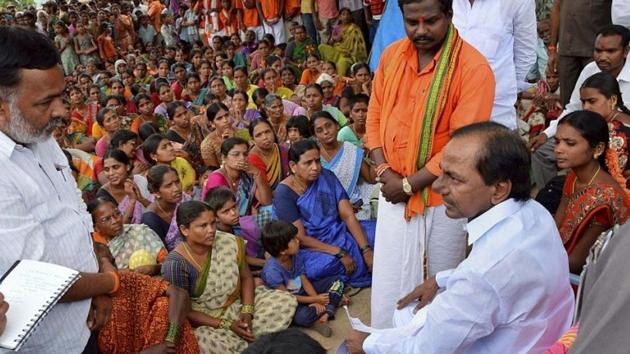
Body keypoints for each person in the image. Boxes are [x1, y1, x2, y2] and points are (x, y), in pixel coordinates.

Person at [347, 122, 574, 353]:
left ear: (498, 190)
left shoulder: (481, 276)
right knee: (409, 314)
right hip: (545, 336)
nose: (437, 186)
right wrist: (442, 279)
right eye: (442, 172)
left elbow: (424, 350)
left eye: (454, 178)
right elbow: (501, 276)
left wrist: (366, 344)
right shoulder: (534, 213)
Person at [366, 0, 495, 328]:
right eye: (412, 22)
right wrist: (385, 172)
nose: (420, 30)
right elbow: (375, 117)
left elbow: (461, 145)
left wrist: (409, 184)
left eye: (430, 21)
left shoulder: (472, 68)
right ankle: (387, 341)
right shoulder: (392, 56)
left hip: (445, 195)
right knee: (390, 278)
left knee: (439, 284)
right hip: (393, 189)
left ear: (449, 16)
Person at [0, 25, 122, 353]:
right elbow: (38, 277)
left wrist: (97, 271)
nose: (62, 112)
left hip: (84, 324)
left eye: (61, 96)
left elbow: (76, 213)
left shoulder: (40, 136)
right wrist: (110, 280)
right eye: (46, 102)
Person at [161, 201, 297, 354]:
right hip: (206, 321)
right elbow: (184, 312)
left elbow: (246, 278)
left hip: (236, 304)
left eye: (213, 223)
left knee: (285, 300)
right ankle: (252, 341)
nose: (211, 230)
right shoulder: (176, 263)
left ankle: (246, 339)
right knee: (203, 341)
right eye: (203, 226)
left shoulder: (228, 241)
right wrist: (228, 324)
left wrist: (247, 312)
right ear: (184, 230)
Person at [530, 25, 630, 189]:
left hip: (620, 140)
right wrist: (546, 134)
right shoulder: (590, 69)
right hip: (585, 135)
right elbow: (573, 108)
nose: (602, 57)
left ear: (625, 51)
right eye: (598, 50)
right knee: (541, 151)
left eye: (610, 51)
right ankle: (549, 197)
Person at [273, 140, 374, 287]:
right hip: (312, 246)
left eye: (317, 161)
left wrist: (365, 250)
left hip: (340, 231)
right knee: (326, 265)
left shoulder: (326, 176)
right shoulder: (284, 193)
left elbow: (347, 215)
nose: (315, 167)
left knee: (378, 233)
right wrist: (339, 252)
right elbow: (300, 238)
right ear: (293, 166)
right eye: (308, 163)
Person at [554, 111, 630, 274]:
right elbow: (556, 226)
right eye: (557, 142)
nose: (559, 149)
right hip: (558, 259)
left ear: (598, 148)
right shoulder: (574, 176)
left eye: (570, 143)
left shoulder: (605, 196)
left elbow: (575, 262)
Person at [452, 0, 537, 129]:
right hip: (448, 107)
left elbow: (526, 54)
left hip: (495, 111)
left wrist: (509, 92)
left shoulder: (516, 2)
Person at [261, 220, 345, 337]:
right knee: (302, 317)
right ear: (282, 250)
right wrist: (314, 299)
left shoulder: (295, 256)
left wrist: (315, 299)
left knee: (337, 281)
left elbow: (304, 281)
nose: (298, 241)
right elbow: (287, 297)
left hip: (302, 291)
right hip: (288, 301)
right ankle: (326, 310)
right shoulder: (272, 271)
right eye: (293, 240)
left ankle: (326, 310)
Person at [313, 111, 377, 220]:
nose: (326, 132)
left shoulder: (350, 150)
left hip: (355, 208)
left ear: (337, 126)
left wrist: (374, 149)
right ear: (315, 136)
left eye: (329, 126)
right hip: (324, 209)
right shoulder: (313, 154)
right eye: (319, 130)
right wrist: (338, 208)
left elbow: (371, 178)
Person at [547, 0, 612, 106]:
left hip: (596, 50)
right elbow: (556, 8)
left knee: (596, 97)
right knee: (567, 102)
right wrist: (553, 49)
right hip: (566, 50)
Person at [88, 197, 166, 276]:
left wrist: (155, 268)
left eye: (117, 213)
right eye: (106, 219)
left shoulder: (139, 231)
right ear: (95, 227)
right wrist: (120, 274)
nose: (115, 221)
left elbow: (167, 264)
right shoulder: (92, 250)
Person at [580, 72, 630, 195]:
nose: (586, 107)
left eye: (592, 101)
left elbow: (607, 176)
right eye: (583, 102)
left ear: (612, 100)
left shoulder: (615, 131)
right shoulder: (621, 118)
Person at [202, 137, 273, 215]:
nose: (242, 158)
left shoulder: (247, 175)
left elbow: (267, 202)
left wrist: (257, 174)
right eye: (236, 155)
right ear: (224, 158)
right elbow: (221, 212)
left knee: (271, 210)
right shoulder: (216, 178)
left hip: (244, 219)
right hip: (225, 222)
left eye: (245, 154)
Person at [204, 187, 266, 271]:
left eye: (234, 207)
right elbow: (241, 258)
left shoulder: (235, 226)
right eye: (226, 211)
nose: (233, 213)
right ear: (216, 217)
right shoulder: (218, 237)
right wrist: (266, 264)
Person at [141, 165, 188, 251]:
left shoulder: (186, 200)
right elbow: (161, 254)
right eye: (168, 185)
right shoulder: (150, 219)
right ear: (156, 192)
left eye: (177, 182)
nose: (176, 188)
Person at [97, 149, 150, 224]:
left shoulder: (140, 181)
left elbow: (156, 212)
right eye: (107, 169)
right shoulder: (103, 195)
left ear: (127, 166)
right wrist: (132, 201)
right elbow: (117, 227)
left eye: (115, 167)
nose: (111, 173)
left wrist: (141, 199)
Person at [319, 8, 368, 76]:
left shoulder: (354, 28)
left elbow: (359, 45)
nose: (346, 16)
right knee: (321, 47)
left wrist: (350, 52)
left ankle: (338, 80)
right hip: (337, 51)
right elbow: (330, 43)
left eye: (348, 14)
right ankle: (323, 68)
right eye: (343, 14)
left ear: (351, 16)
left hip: (347, 55)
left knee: (342, 63)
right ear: (339, 17)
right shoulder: (337, 27)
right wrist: (334, 38)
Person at [200, 102, 251, 168]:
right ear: (212, 123)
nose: (225, 120)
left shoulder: (244, 132)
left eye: (227, 115)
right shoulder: (207, 144)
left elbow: (252, 157)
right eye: (219, 118)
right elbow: (214, 172)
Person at [248, 118, 290, 189]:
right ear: (253, 140)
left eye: (267, 132)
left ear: (273, 131)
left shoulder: (283, 150)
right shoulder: (252, 159)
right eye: (259, 135)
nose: (265, 137)